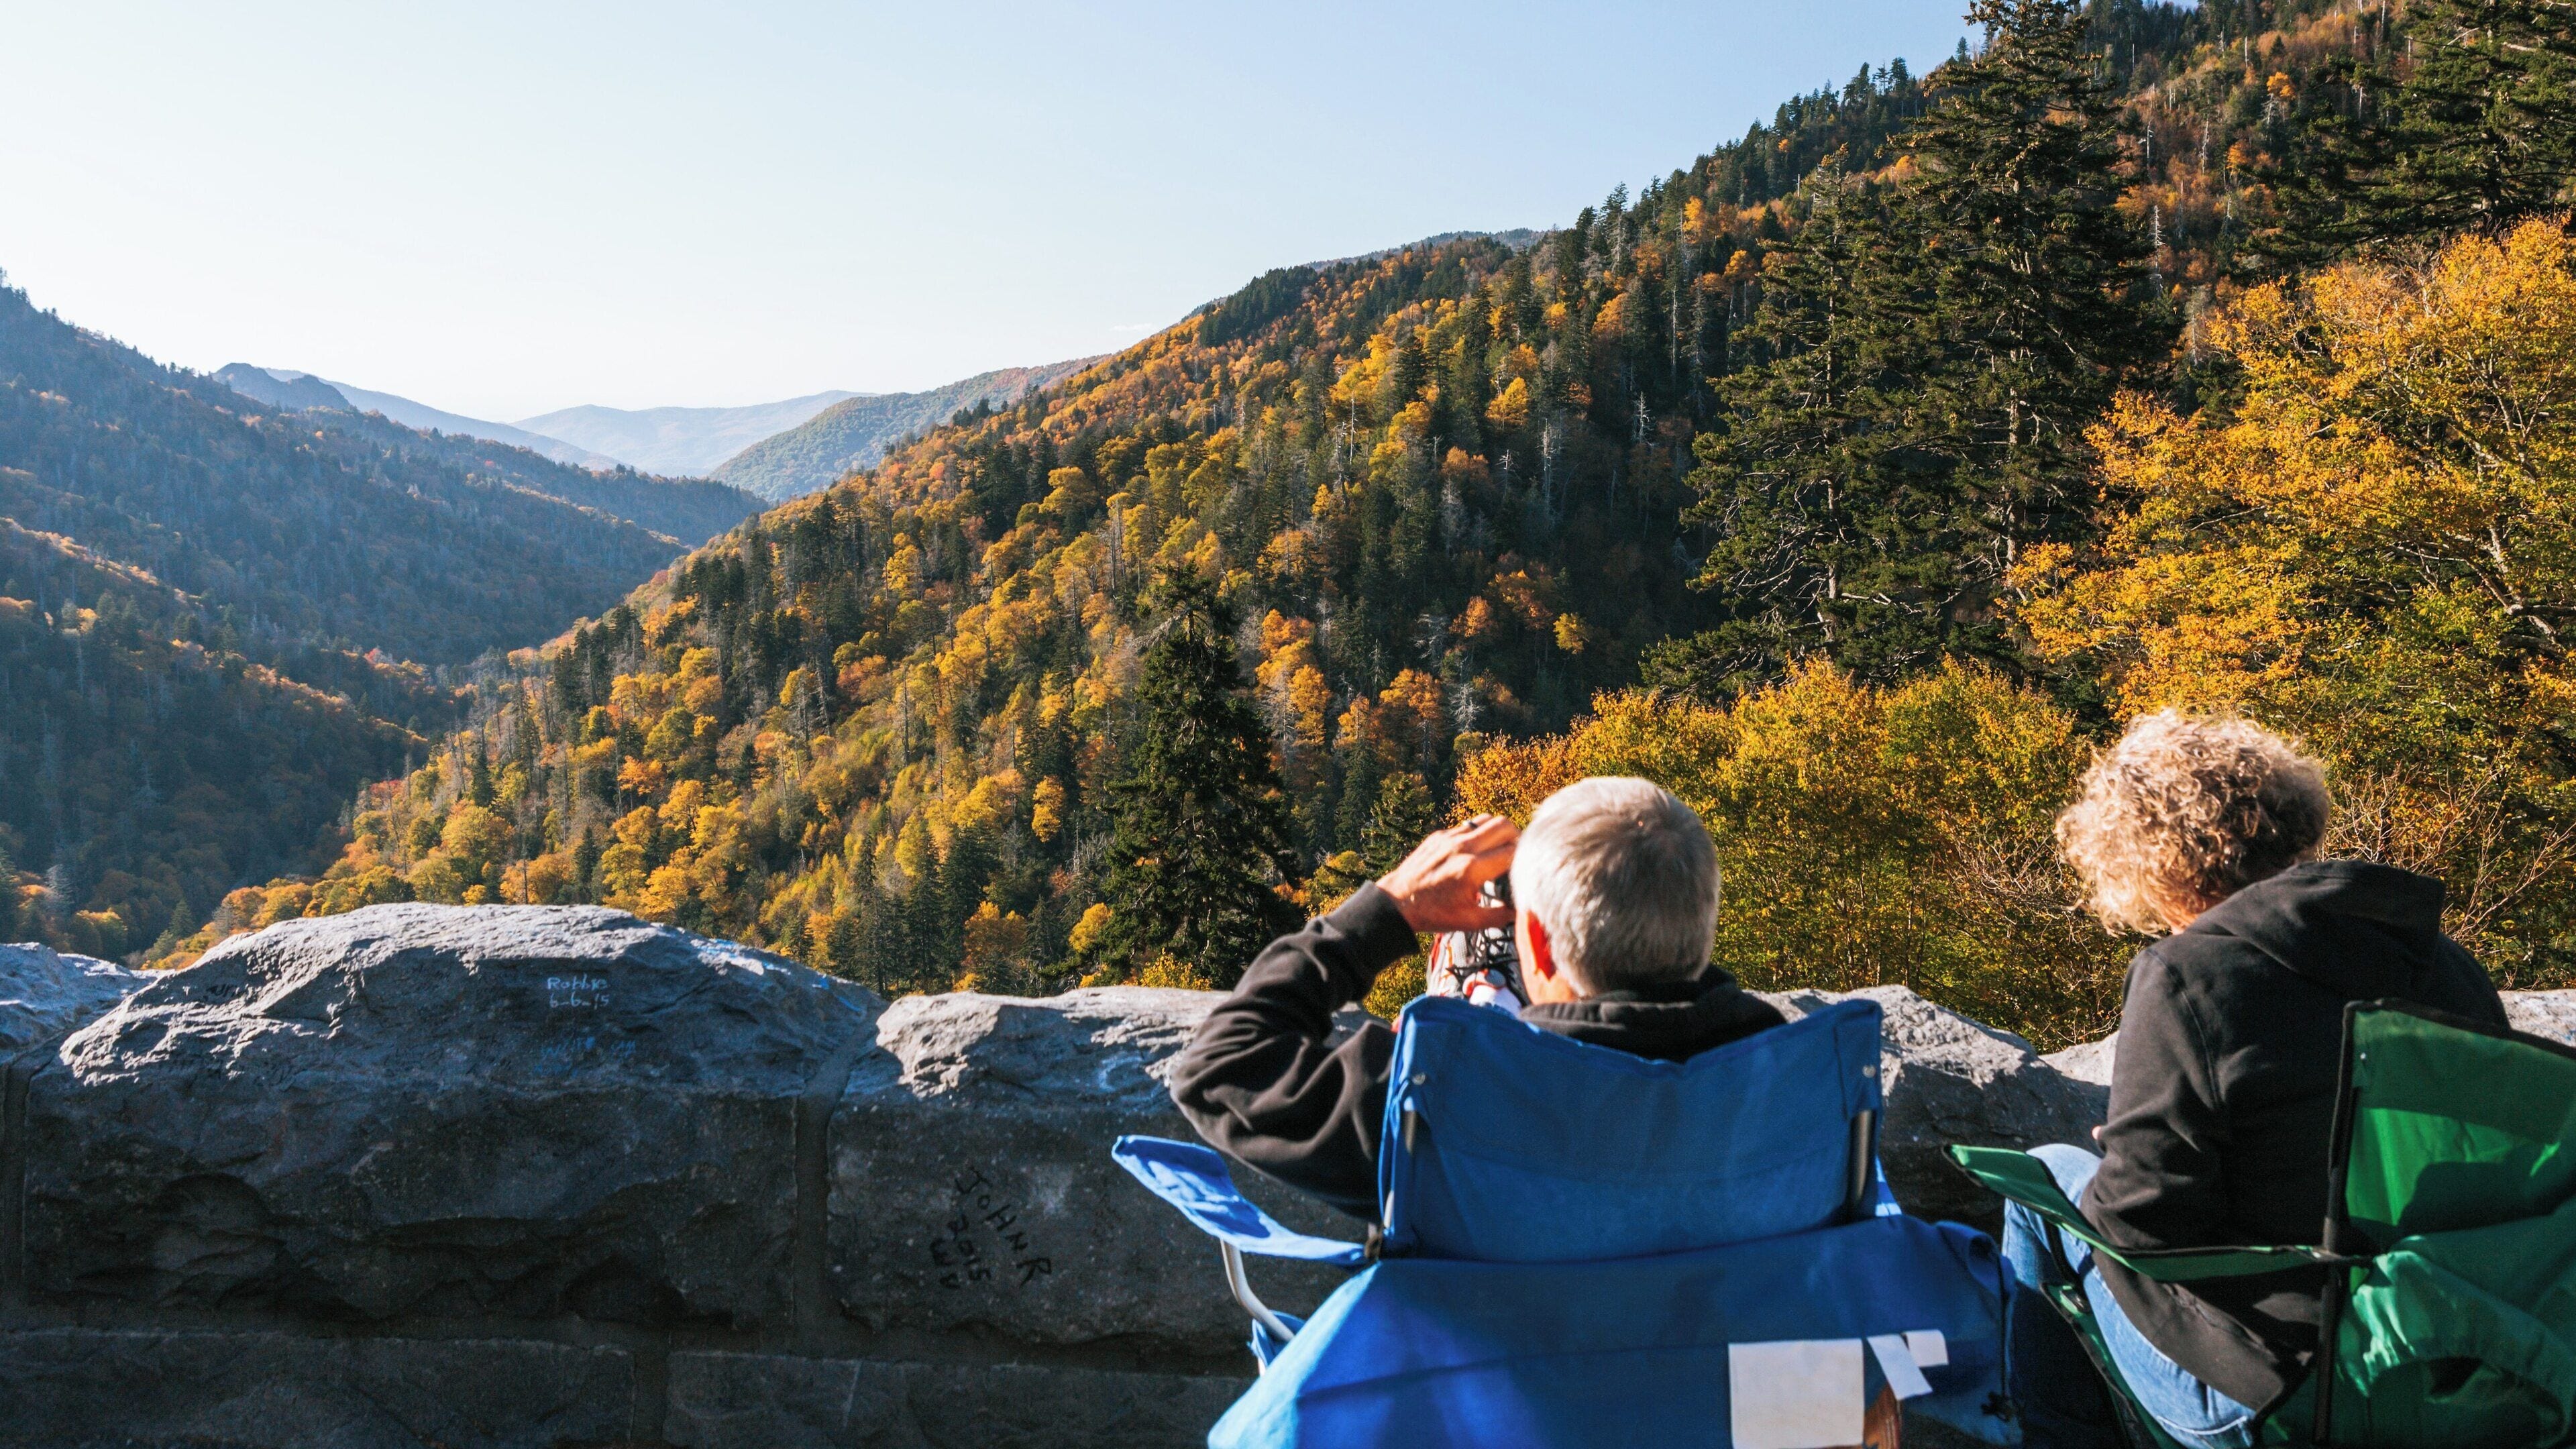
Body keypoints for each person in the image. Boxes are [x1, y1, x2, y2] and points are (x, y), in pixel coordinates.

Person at [2006, 712, 2506, 1449]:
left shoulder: (2188, 978)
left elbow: (2141, 1225)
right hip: (2453, 1365)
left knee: (2045, 1180)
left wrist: (2124, 1156)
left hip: (2284, 1389)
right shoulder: (2442, 960)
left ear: (2147, 861)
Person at [1169, 776, 1786, 1221]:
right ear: (1701, 929)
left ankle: (1486, 1011)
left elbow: (1219, 1066)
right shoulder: (1795, 1087)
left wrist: (1389, 909)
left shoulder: (1442, 1101)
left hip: (1508, 1399)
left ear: (1538, 947)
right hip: (1710, 1395)